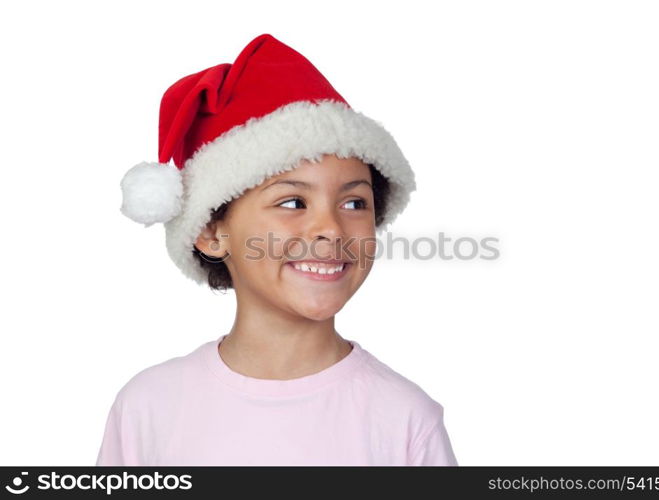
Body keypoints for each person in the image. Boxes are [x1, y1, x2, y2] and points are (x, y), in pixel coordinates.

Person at [97, 33, 458, 466]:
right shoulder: (148, 408)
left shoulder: (405, 422)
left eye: (354, 202)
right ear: (210, 231)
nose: (330, 228)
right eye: (292, 202)